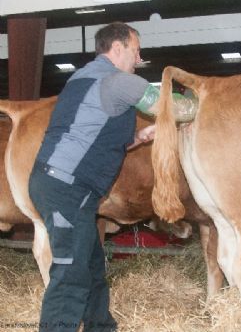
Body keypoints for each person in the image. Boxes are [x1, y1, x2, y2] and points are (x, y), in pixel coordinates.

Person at [29, 22, 158, 332]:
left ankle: (101, 327)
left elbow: (96, 134)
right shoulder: (118, 81)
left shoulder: (81, 78)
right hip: (66, 187)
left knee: (90, 266)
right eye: (135, 49)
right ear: (117, 48)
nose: (139, 57)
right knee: (70, 273)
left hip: (63, 186)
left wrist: (140, 137)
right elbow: (176, 106)